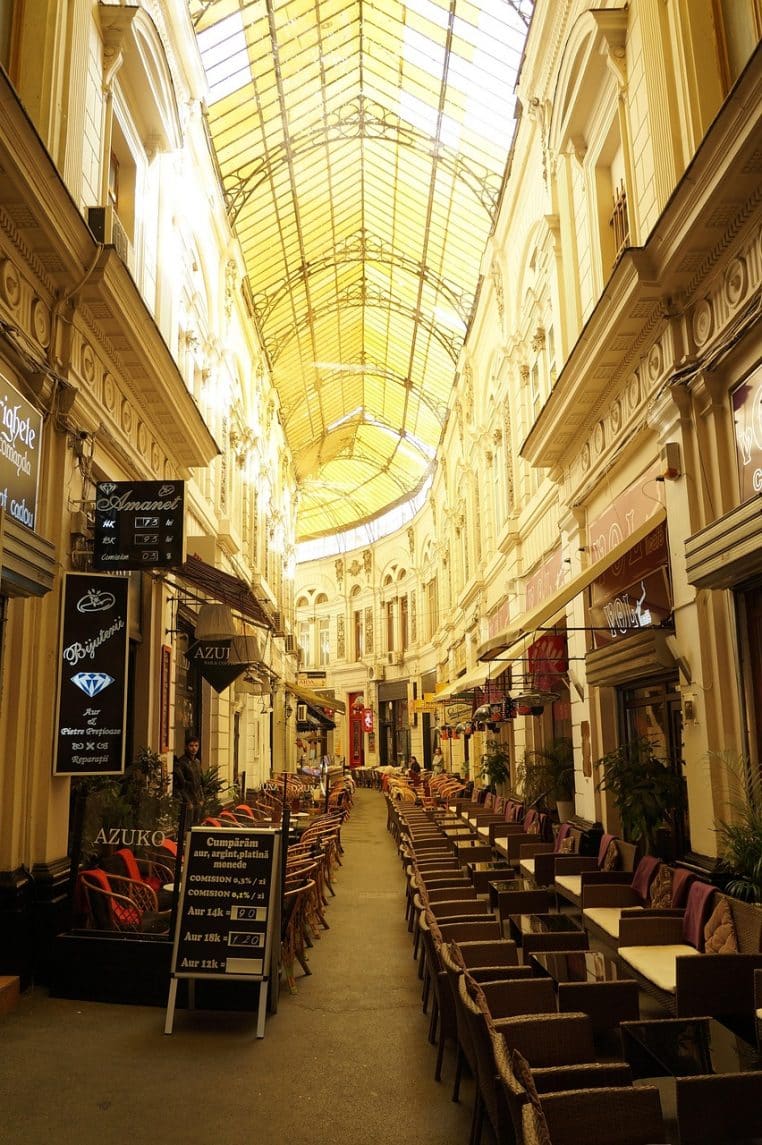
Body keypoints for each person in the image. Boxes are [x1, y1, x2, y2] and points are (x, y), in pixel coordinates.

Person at [173, 734, 203, 822]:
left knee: (196, 825)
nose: (194, 748)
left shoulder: (197, 762)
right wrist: (187, 801)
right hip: (187, 800)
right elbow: (180, 785)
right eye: (191, 746)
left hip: (197, 799)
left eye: (196, 746)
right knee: (186, 826)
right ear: (186, 747)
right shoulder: (182, 762)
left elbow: (200, 781)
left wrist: (202, 798)